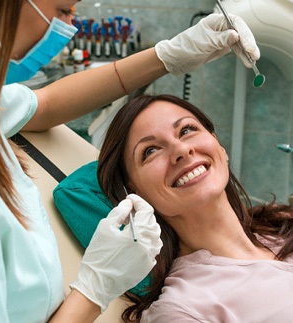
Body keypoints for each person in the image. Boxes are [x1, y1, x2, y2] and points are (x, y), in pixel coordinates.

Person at [0, 0, 260, 321]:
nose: (71, 26)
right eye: (62, 10)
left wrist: (167, 56)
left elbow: (44, 105)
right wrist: (95, 287)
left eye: (188, 130)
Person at [97, 94, 293, 322]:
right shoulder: (182, 308)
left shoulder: (282, 224)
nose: (181, 150)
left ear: (219, 146)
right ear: (135, 192)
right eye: (150, 151)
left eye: (186, 130)